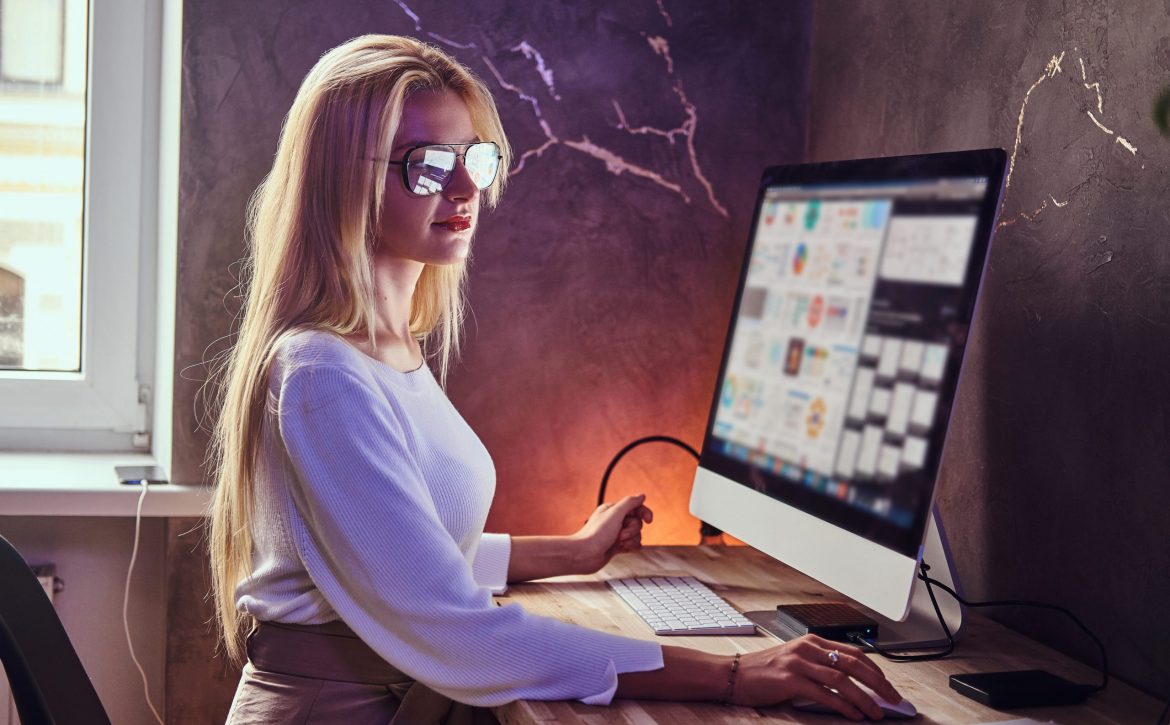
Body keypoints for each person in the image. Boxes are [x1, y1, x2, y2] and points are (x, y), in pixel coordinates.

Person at [207, 34, 903, 723]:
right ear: (340, 178)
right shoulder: (323, 373)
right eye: (425, 165)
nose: (463, 188)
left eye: (474, 159)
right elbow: (456, 629)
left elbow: (408, 557)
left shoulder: (385, 349)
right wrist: (734, 674)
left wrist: (570, 551)